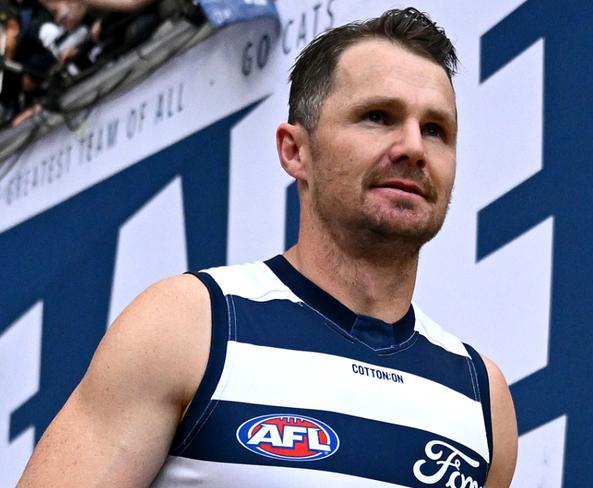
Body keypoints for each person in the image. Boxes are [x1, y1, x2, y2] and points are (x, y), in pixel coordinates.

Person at [17, 7, 517, 487]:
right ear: (294, 151)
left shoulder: (481, 397)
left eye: (436, 130)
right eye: (377, 116)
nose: (412, 147)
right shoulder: (189, 325)